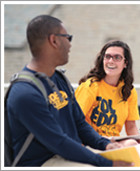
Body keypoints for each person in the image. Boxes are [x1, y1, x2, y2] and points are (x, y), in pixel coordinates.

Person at [6, 15, 133, 167]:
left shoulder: (59, 78)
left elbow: (79, 123)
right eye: (67, 37)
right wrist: (107, 163)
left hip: (67, 154)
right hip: (42, 162)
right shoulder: (25, 93)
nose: (70, 45)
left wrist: (105, 144)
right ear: (54, 41)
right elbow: (58, 142)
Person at [75, 40, 140, 165]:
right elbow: (77, 121)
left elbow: (131, 126)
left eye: (117, 57)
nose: (111, 61)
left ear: (125, 63)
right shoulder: (90, 86)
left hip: (114, 141)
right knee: (131, 145)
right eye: (108, 57)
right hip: (91, 142)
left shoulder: (129, 91)